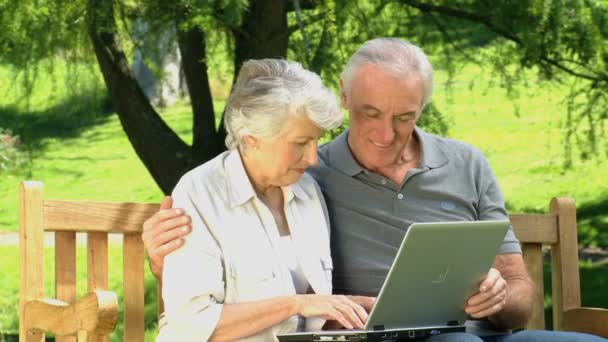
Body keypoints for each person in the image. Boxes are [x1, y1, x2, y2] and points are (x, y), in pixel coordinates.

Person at [145, 39, 605, 341]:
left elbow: (520, 295)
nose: (387, 134)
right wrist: (161, 258)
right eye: (370, 114)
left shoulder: (302, 187)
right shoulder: (301, 176)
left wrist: (497, 297)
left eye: (405, 117)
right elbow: (189, 318)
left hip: (463, 331)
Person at [155, 58, 371, 341]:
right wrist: (296, 305)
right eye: (300, 143)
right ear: (250, 139)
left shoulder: (306, 190)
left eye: (316, 140)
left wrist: (351, 307)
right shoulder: (198, 193)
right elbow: (193, 323)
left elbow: (311, 315)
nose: (313, 158)